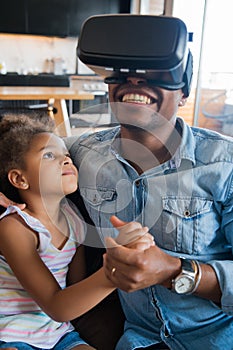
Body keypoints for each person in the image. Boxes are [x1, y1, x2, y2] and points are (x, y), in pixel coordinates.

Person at [66, 14, 233, 350]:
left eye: (155, 71)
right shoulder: (83, 154)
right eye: (123, 72)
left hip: (217, 336)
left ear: (183, 93)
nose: (135, 81)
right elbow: (24, 156)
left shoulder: (224, 165)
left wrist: (174, 271)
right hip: (138, 340)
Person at [0, 112, 154, 350]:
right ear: (20, 179)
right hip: (11, 335)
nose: (66, 161)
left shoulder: (74, 219)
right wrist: (115, 270)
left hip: (60, 334)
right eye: (49, 155)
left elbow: (75, 291)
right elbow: (56, 305)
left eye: (67, 155)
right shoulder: (14, 227)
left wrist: (122, 248)